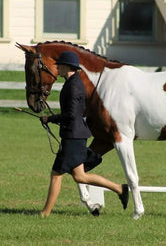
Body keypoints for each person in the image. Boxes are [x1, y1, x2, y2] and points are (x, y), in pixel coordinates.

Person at [39, 51, 128, 217]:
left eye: (60, 66)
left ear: (67, 67)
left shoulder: (73, 86)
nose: (58, 69)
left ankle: (45, 213)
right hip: (74, 135)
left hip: (73, 136)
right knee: (80, 176)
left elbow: (71, 115)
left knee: (56, 174)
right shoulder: (72, 83)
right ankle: (119, 188)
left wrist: (50, 118)